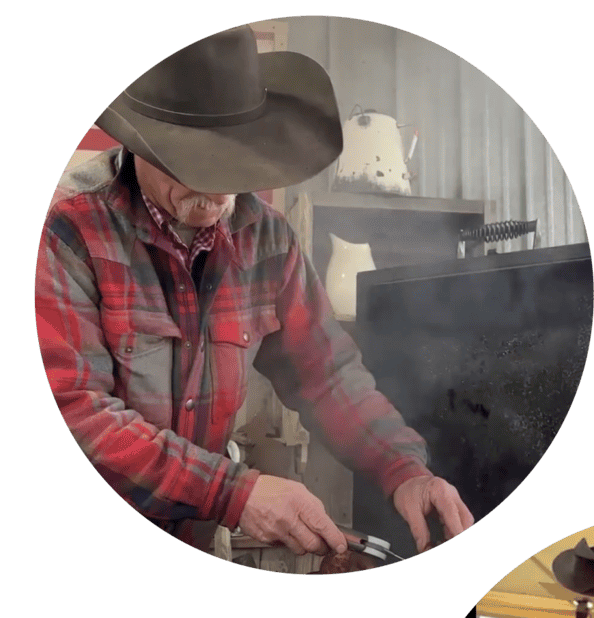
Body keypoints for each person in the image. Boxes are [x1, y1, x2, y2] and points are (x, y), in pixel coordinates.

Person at [38, 26, 473, 560]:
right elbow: (76, 413)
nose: (219, 191)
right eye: (197, 165)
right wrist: (234, 493)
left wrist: (403, 470)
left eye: (234, 163)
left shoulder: (268, 238)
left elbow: (327, 376)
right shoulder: (68, 229)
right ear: (140, 143)